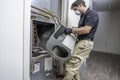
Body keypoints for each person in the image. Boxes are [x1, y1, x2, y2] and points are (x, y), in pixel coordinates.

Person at [63, 0, 99, 80]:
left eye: (76, 9)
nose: (76, 11)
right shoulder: (83, 16)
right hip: (82, 42)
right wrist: (71, 29)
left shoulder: (92, 14)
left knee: (71, 65)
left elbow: (86, 30)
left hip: (85, 42)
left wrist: (71, 30)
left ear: (80, 5)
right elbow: (80, 29)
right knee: (75, 65)